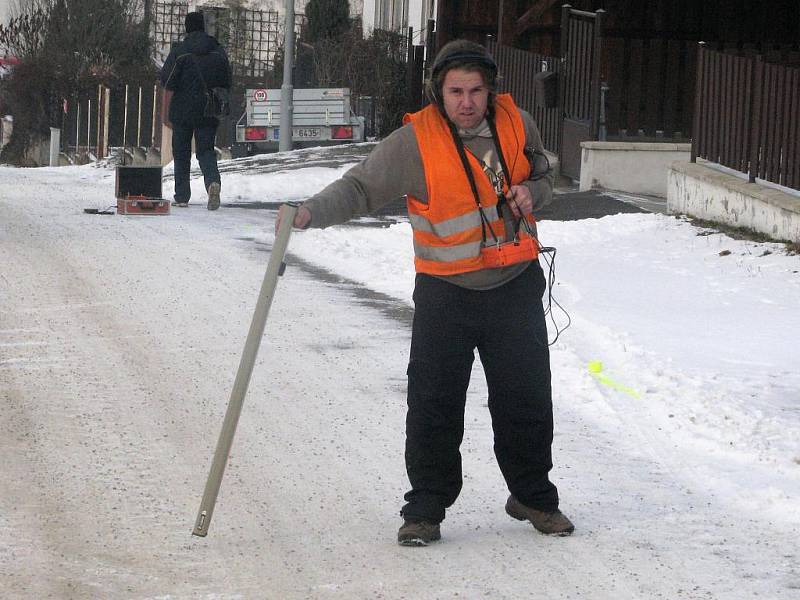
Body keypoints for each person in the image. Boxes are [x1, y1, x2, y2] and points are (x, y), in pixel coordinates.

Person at [279, 39, 573, 546]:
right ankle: (426, 507)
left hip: (515, 285)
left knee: (525, 398)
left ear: (491, 90)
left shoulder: (518, 123)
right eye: (456, 91)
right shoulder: (415, 141)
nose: (467, 102)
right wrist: (307, 213)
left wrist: (535, 193)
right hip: (446, 294)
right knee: (435, 401)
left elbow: (545, 174)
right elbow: (360, 188)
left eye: (476, 91)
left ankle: (532, 495)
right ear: (439, 92)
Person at [160, 11, 231, 210]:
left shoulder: (180, 51)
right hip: (208, 109)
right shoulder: (217, 50)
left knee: (181, 152)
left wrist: (165, 113)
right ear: (203, 27)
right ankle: (212, 183)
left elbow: (167, 80)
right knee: (206, 151)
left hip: (182, 110)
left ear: (187, 27)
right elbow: (227, 80)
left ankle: (182, 195)